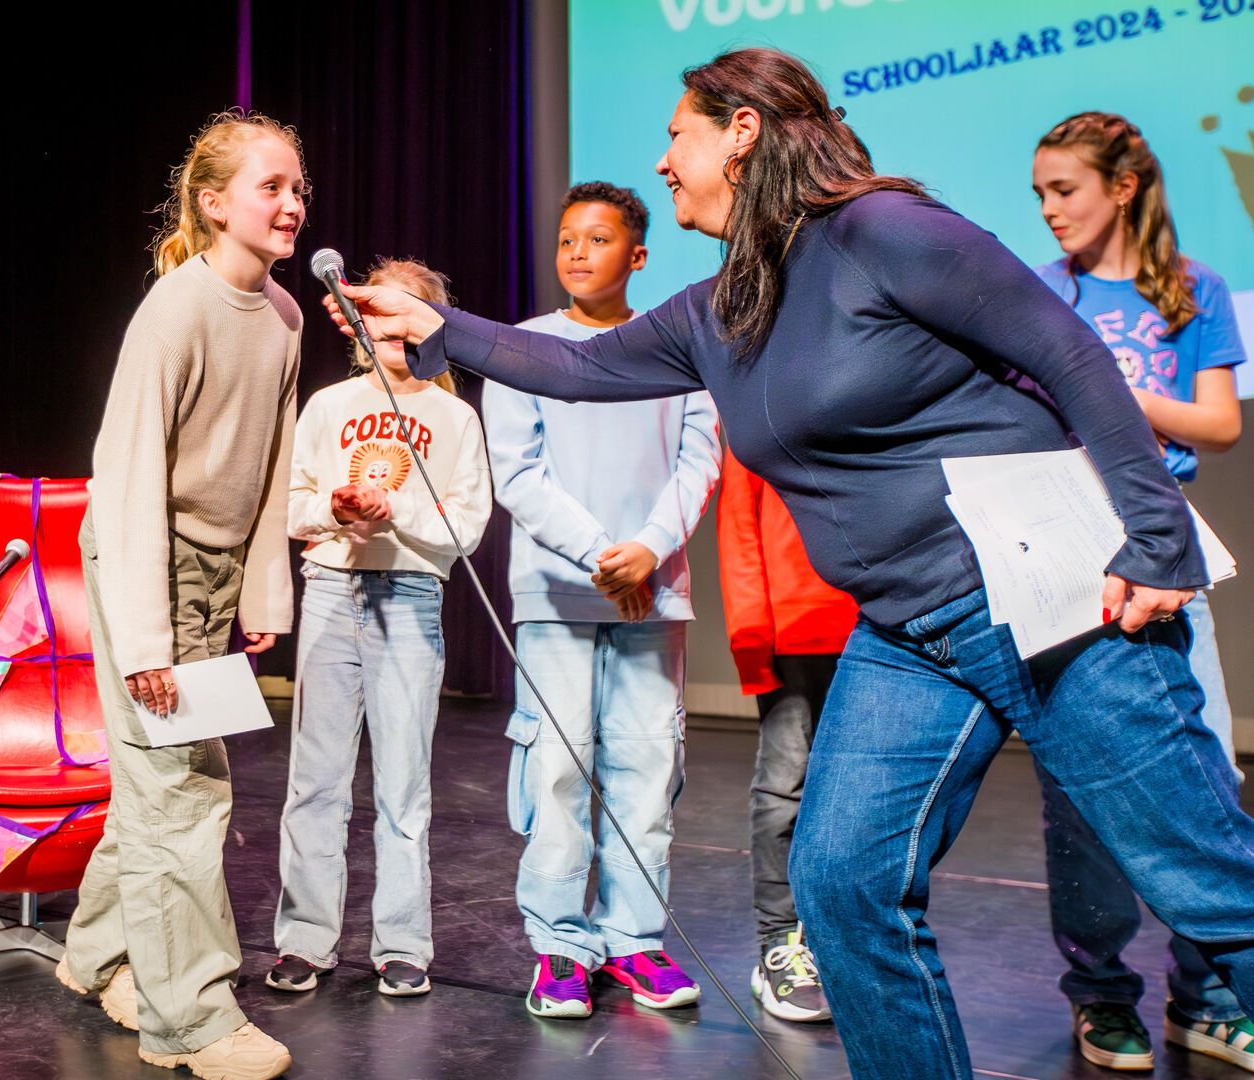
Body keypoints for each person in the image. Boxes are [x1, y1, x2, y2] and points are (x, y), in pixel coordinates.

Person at [322, 47, 1254, 1080]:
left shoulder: (882, 230)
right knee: (843, 885)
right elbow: (578, 367)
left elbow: (1067, 354)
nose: (662, 162)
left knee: (1208, 885)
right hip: (908, 632)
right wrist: (434, 325)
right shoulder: (721, 303)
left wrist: (1155, 535)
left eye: (676, 134)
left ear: (742, 130)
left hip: (1047, 595)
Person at [54, 111, 304, 1080]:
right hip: (141, 566)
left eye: (298, 189)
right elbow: (125, 478)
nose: (289, 205)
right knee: (183, 794)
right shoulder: (175, 308)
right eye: (269, 188)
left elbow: (271, 468)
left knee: (155, 790)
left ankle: (97, 956)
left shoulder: (281, 317)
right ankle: (189, 1019)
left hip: (208, 577)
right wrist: (148, 638)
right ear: (213, 204)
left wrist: (260, 590)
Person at [1030, 110, 1250, 1073]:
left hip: (1170, 558)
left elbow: (1218, 423)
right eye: (1037, 193)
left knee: (1203, 784)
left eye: (1063, 190)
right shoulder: (1038, 296)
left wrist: (1112, 393)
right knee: (1078, 793)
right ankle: (1101, 994)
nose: (1047, 210)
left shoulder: (1192, 288)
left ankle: (1202, 997)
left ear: (1120, 188)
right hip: (1071, 560)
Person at [482, 181, 719, 1018]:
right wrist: (599, 555)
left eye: (599, 238)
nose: (579, 252)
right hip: (555, 595)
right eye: (566, 239)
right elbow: (517, 472)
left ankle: (634, 940)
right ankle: (558, 947)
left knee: (648, 769)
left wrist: (648, 552)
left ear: (638, 255)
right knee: (556, 770)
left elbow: (699, 461)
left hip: (652, 597)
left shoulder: (679, 348)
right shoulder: (519, 348)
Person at [268, 259, 492, 1000]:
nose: (390, 332)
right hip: (332, 587)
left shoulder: (454, 418)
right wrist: (334, 509)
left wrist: (396, 512)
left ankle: (401, 944)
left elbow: (465, 528)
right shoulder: (330, 406)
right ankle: (305, 940)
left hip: (410, 597)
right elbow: (292, 503)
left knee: (403, 782)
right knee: (316, 781)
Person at [715, 448, 857, 1024]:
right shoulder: (763, 384)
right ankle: (782, 945)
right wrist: (752, 637)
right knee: (784, 790)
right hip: (795, 627)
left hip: (882, 626)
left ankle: (847, 946)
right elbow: (739, 524)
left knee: (866, 800)